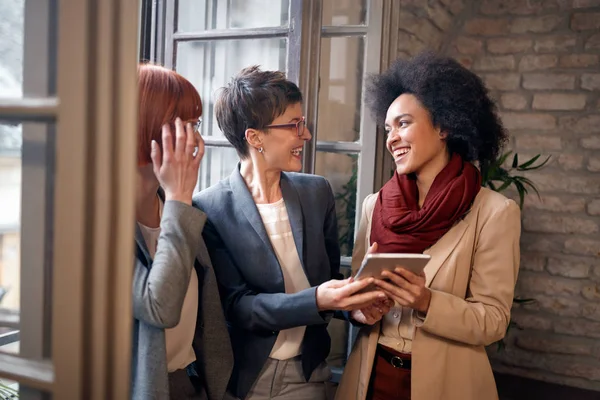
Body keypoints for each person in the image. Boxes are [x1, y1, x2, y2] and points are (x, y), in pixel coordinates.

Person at [193, 66, 390, 400]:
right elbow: (237, 306)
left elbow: (327, 279)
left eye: (303, 123)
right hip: (242, 381)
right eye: (294, 125)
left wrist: (350, 307)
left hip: (307, 372)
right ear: (254, 137)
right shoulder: (209, 208)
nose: (307, 134)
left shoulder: (317, 193)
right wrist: (318, 299)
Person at [335, 52, 521, 400]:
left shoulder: (494, 212)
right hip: (370, 378)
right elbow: (354, 299)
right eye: (388, 128)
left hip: (448, 385)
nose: (391, 138)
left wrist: (427, 301)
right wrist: (360, 310)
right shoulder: (374, 206)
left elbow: (493, 319)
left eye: (403, 123)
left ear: (444, 126)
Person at [132, 64, 233, 400]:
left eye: (196, 125)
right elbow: (159, 308)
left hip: (186, 385)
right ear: (147, 124)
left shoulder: (174, 207)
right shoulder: (101, 221)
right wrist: (179, 197)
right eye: (184, 125)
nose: (197, 140)